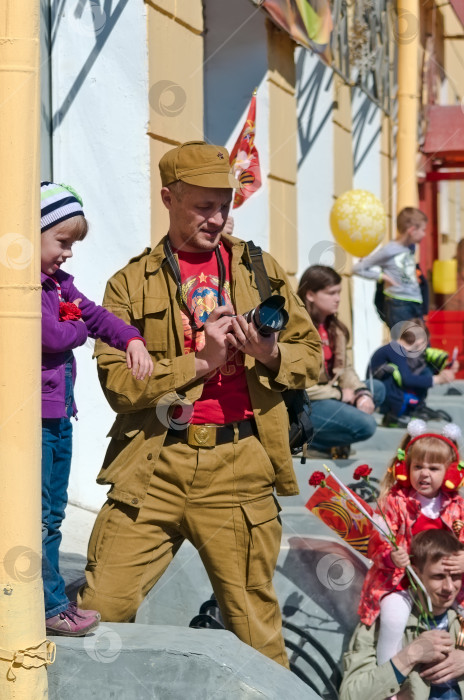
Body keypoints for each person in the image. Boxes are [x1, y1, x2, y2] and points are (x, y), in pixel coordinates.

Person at [77, 141, 321, 666]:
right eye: (203, 207)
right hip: (154, 467)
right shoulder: (129, 282)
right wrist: (199, 363)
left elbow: (312, 356)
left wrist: (272, 354)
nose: (217, 219)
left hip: (240, 469)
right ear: (169, 198)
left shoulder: (258, 268)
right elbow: (118, 385)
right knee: (100, 608)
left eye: (224, 205)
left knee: (256, 634)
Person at [41, 182, 153, 636]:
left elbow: (95, 316)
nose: (68, 254)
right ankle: (47, 607)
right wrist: (77, 328)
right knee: (36, 514)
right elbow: (50, 335)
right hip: (32, 424)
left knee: (52, 514)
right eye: (62, 242)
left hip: (58, 419)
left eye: (73, 244)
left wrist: (131, 338)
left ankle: (44, 599)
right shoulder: (24, 284)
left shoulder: (60, 284)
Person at [357, 419, 464, 667]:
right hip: (401, 580)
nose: (424, 474)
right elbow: (376, 543)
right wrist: (391, 556)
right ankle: (389, 674)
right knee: (394, 616)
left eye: (434, 468)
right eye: (418, 466)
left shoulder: (456, 505)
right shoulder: (395, 501)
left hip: (446, 580)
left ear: (450, 473)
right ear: (405, 469)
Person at [340, 529, 464, 700]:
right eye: (438, 576)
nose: (449, 587)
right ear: (416, 572)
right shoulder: (382, 621)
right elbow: (351, 695)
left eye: (456, 576)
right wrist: (411, 655)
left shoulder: (459, 616)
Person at [297, 265, 385, 458]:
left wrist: (361, 393)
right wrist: (338, 394)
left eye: (339, 292)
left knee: (376, 388)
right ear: (310, 294)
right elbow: (297, 386)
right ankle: (300, 440)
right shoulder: (296, 329)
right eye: (331, 293)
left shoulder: (333, 327)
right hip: (304, 402)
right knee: (366, 425)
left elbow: (345, 369)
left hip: (328, 395)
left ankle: (332, 441)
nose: (338, 299)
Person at [368, 319, 459, 427]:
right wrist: (438, 379)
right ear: (420, 341)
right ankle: (395, 415)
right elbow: (407, 379)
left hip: (393, 395)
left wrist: (446, 368)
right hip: (382, 399)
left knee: (425, 369)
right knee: (396, 374)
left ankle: (416, 408)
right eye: (426, 343)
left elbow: (418, 369)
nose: (426, 347)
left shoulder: (405, 350)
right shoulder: (394, 350)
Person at [352, 207, 428, 329]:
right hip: (398, 303)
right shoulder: (389, 250)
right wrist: (383, 277)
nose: (424, 234)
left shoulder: (411, 247)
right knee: (405, 343)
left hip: (415, 301)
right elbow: (357, 268)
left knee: (420, 343)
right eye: (423, 230)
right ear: (412, 230)